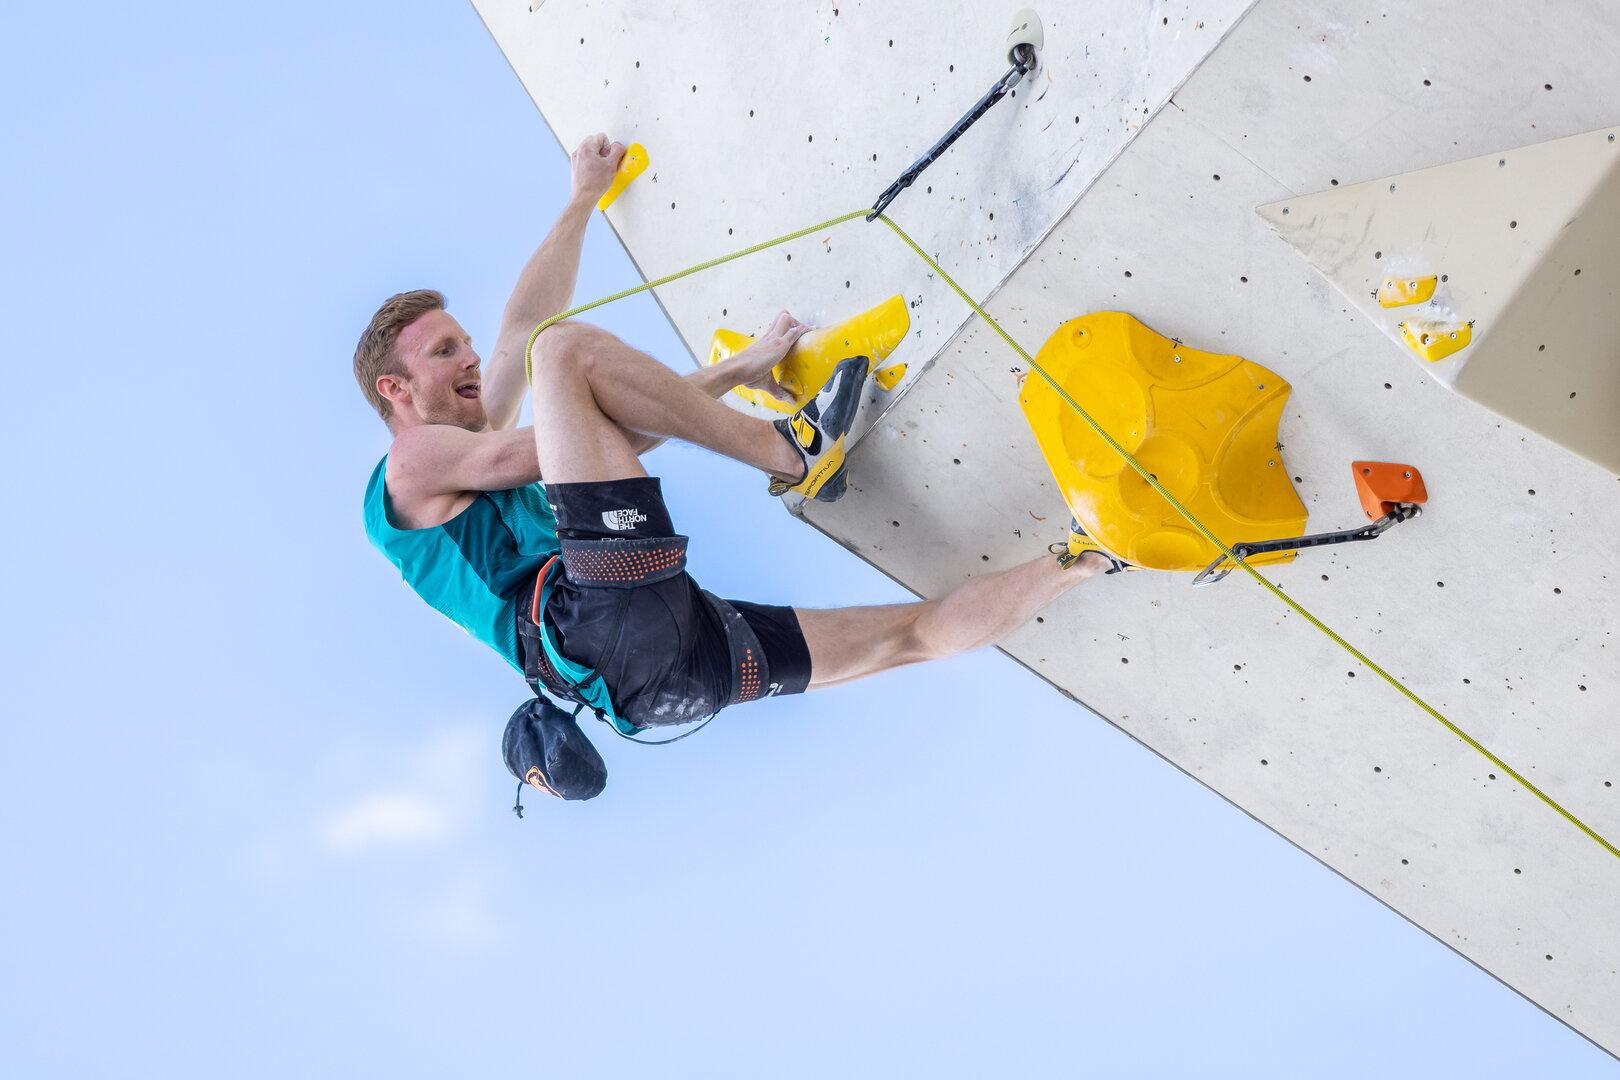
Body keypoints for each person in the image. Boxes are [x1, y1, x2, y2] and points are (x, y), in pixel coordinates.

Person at [356, 134, 1110, 804]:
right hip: (593, 624)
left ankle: (1089, 554)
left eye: (464, 343)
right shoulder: (410, 463)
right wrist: (728, 374)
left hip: (657, 683)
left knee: (911, 636)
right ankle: (792, 453)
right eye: (446, 352)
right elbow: (539, 434)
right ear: (395, 390)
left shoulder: (470, 432)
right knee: (561, 354)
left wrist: (585, 197)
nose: (473, 359)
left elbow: (525, 328)